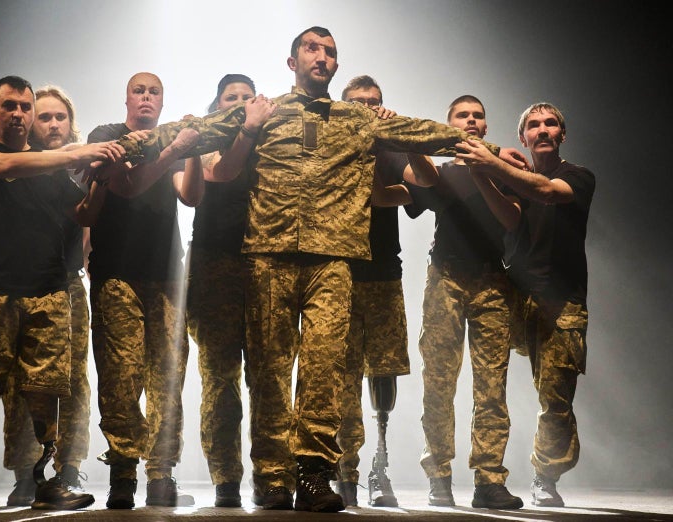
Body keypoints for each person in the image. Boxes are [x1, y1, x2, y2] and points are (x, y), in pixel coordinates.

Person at [107, 27, 517, 514]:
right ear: (292, 60)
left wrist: (491, 154)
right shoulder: (263, 110)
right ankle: (272, 475)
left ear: (336, 65)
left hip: (332, 260)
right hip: (270, 255)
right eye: (312, 49)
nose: (322, 58)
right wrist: (120, 150)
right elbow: (191, 130)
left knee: (323, 369)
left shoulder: (356, 119)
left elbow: (425, 132)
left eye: (330, 52)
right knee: (270, 371)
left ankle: (315, 473)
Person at [0, 75, 124, 512]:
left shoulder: (50, 168)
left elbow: (83, 212)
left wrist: (100, 179)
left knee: (47, 387)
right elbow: (5, 167)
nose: (19, 114)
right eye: (10, 106)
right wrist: (76, 153)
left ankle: (46, 477)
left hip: (48, 290)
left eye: (25, 107)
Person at [455, 102, 595, 508]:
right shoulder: (514, 178)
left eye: (551, 123)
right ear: (523, 138)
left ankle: (545, 475)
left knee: (555, 399)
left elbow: (546, 192)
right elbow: (510, 219)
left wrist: (493, 164)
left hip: (561, 301)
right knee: (489, 389)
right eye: (534, 125)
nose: (543, 130)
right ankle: (488, 480)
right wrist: (483, 173)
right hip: (511, 295)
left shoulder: (578, 177)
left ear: (562, 134)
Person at [82, 71, 202, 509]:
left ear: (163, 101)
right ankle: (123, 474)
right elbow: (128, 187)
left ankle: (161, 474)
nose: (146, 97)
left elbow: (190, 196)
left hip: (167, 276)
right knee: (121, 376)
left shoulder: (170, 140)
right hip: (117, 274)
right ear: (127, 98)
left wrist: (195, 150)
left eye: (154, 91)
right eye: (139, 90)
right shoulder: (110, 137)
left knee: (167, 379)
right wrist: (174, 148)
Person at [404, 95, 524, 509]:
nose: (471, 121)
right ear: (450, 124)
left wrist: (486, 171)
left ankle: (489, 481)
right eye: (462, 116)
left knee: (492, 387)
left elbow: (512, 221)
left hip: (493, 279)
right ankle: (439, 475)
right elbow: (417, 193)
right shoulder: (439, 173)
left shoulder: (504, 168)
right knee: (439, 381)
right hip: (446, 278)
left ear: (486, 127)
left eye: (478, 116)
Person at [334, 75, 435, 508]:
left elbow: (426, 184)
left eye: (373, 103)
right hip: (333, 276)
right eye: (357, 103)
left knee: (382, 373)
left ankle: (380, 463)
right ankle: (344, 471)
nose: (367, 109)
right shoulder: (329, 148)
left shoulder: (390, 150)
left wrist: (406, 138)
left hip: (381, 277)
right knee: (337, 379)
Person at [183, 74, 275, 508]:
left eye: (246, 97)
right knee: (221, 380)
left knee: (268, 377)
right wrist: (249, 129)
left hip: (263, 266)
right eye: (230, 98)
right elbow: (218, 174)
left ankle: (273, 476)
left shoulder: (272, 141)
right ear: (217, 106)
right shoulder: (206, 140)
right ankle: (225, 478)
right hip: (213, 267)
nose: (240, 103)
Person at [0, 85, 93, 506]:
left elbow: (89, 225)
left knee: (71, 381)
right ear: (32, 123)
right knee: (20, 383)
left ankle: (68, 469)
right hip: (19, 285)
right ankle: (26, 474)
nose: (53, 124)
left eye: (60, 117)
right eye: (45, 116)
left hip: (67, 283)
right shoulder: (19, 164)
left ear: (71, 123)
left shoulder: (83, 165)